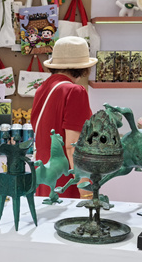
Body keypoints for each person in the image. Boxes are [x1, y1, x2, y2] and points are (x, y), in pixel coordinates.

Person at [30, 36, 95, 199]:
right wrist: (85, 189)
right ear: (83, 68)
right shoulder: (75, 91)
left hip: (45, 175)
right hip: (67, 178)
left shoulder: (42, 89)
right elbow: (73, 146)